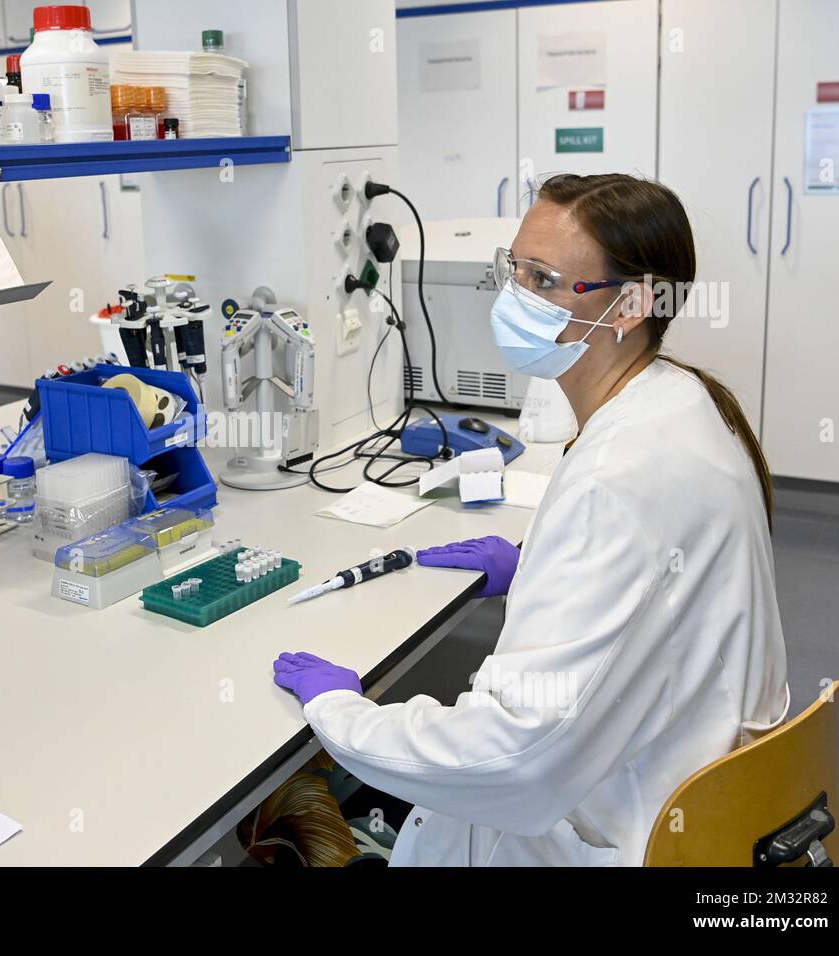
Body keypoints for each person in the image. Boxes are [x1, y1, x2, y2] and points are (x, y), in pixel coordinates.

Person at [273, 173, 789, 866]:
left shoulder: (618, 477)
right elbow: (665, 587)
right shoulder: (687, 400)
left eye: (544, 280)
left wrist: (344, 713)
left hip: (632, 825)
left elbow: (512, 755)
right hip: (703, 784)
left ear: (631, 305)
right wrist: (538, 568)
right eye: (512, 268)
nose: (515, 295)